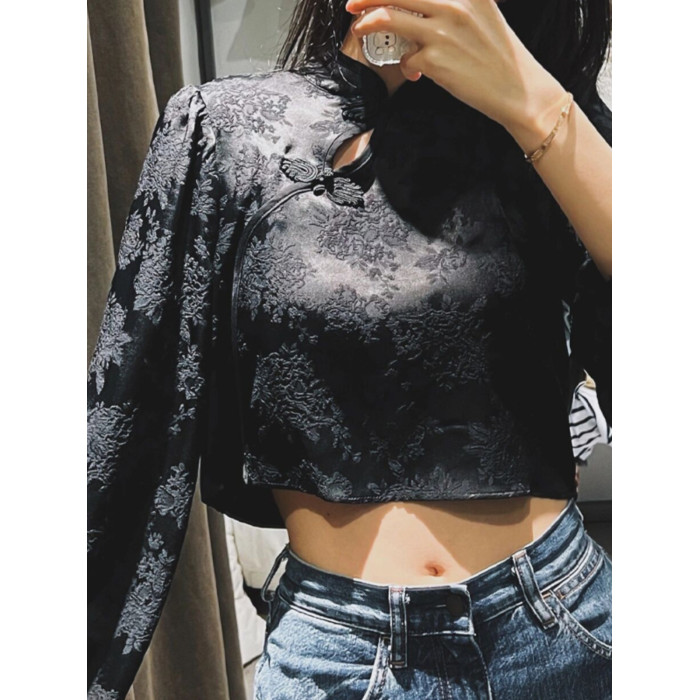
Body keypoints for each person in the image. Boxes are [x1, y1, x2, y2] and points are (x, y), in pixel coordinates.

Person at [87, 0, 613, 698]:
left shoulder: (553, 125)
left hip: (562, 626)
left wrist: (534, 102)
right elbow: (128, 431)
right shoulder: (227, 130)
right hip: (337, 655)